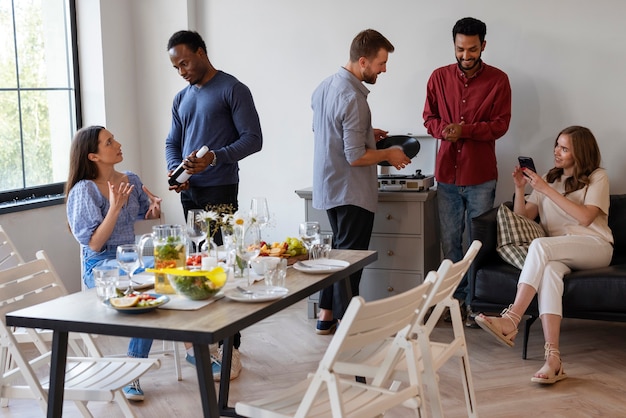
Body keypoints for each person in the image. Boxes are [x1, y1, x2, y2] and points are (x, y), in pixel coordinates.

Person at [476, 126, 613, 384]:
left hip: (595, 245)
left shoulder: (597, 177)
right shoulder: (549, 179)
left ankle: (511, 319)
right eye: (556, 145)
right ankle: (554, 359)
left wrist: (545, 189)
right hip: (560, 249)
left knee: (540, 245)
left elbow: (585, 218)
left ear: (580, 152)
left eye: (564, 148)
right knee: (549, 272)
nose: (556, 152)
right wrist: (519, 189)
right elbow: (524, 216)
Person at [165, 30, 262, 380]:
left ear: (202, 53)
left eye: (185, 63)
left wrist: (215, 159)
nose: (182, 71)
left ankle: (230, 348)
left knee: (222, 269)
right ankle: (209, 341)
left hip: (220, 189)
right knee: (199, 269)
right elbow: (172, 142)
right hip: (189, 193)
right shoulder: (181, 98)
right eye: (176, 67)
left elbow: (253, 139)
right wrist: (175, 171)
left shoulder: (233, 89)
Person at [311, 29, 411, 334]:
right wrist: (388, 154)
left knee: (337, 255)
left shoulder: (324, 86)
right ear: (363, 61)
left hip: (329, 185)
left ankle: (326, 315)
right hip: (351, 189)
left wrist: (369, 134)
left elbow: (328, 132)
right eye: (381, 63)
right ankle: (348, 325)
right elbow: (355, 157)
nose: (384, 69)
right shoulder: (354, 98)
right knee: (350, 260)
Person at [423, 17, 512, 323]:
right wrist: (441, 129)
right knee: (450, 242)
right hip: (446, 174)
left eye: (472, 49)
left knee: (478, 242)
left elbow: (501, 125)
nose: (465, 55)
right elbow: (428, 117)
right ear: (454, 45)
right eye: (460, 48)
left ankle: (477, 302)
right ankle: (455, 301)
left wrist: (465, 130)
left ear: (483, 46)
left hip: (480, 177)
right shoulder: (437, 77)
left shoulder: (499, 81)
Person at [66, 125, 162, 401]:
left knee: (171, 275)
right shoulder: (84, 191)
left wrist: (154, 210)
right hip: (101, 264)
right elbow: (94, 244)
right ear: (93, 156)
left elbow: (148, 212)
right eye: (109, 142)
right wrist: (115, 205)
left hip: (131, 258)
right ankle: (133, 368)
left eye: (114, 138)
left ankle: (194, 348)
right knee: (147, 291)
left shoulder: (129, 178)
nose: (117, 143)